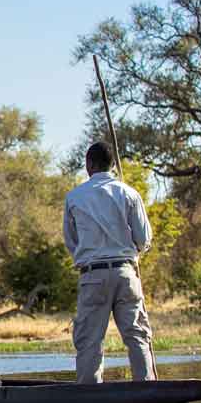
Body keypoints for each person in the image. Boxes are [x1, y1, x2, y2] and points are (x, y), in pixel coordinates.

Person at [63, 141, 155, 384]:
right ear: (113, 165)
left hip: (92, 275)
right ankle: (147, 387)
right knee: (137, 335)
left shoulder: (74, 197)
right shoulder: (129, 193)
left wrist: (87, 257)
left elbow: (71, 241)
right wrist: (131, 252)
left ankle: (89, 394)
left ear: (89, 164)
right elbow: (144, 239)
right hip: (126, 272)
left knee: (89, 340)